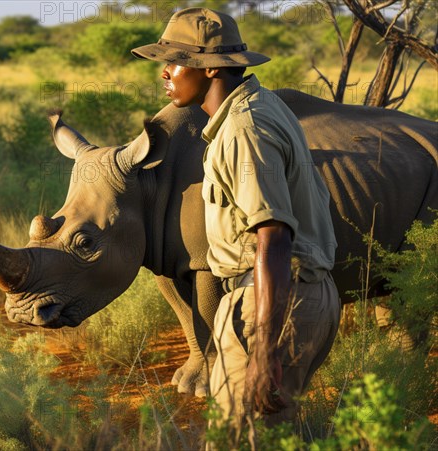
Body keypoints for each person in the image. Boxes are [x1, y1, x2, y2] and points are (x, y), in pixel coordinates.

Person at [131, 7, 341, 441]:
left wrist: (265, 349)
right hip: (286, 296)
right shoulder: (258, 109)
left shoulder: (245, 129)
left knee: (238, 441)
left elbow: (274, 237)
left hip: (267, 302)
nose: (165, 73)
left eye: (176, 62)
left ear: (210, 67)